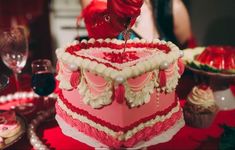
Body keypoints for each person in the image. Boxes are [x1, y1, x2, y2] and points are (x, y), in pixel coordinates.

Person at [79, 0, 196, 49]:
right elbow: (97, 27)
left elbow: (187, 61)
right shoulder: (96, 3)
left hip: (160, 98)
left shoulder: (172, 8)